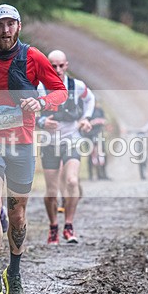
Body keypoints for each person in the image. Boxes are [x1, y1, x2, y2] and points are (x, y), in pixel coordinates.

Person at [0, 4, 67, 294]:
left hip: (21, 142)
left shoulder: (33, 57)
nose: (5, 31)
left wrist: (43, 103)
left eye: (10, 24)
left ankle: (14, 274)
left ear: (19, 26)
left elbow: (59, 90)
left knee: (18, 213)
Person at [36, 50, 95, 245]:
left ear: (67, 65)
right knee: (51, 191)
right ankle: (53, 226)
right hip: (49, 143)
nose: (58, 70)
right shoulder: (40, 88)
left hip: (72, 139)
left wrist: (86, 118)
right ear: (48, 66)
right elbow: (29, 111)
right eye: (53, 66)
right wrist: (43, 122)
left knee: (71, 181)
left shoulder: (76, 86)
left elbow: (90, 99)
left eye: (61, 65)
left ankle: (68, 225)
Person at [83, 102, 108, 181]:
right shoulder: (87, 111)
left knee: (102, 154)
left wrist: (100, 121)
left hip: (99, 134)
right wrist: (93, 122)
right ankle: (91, 175)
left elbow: (104, 120)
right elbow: (84, 123)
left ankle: (102, 174)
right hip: (89, 135)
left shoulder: (99, 110)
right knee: (91, 155)